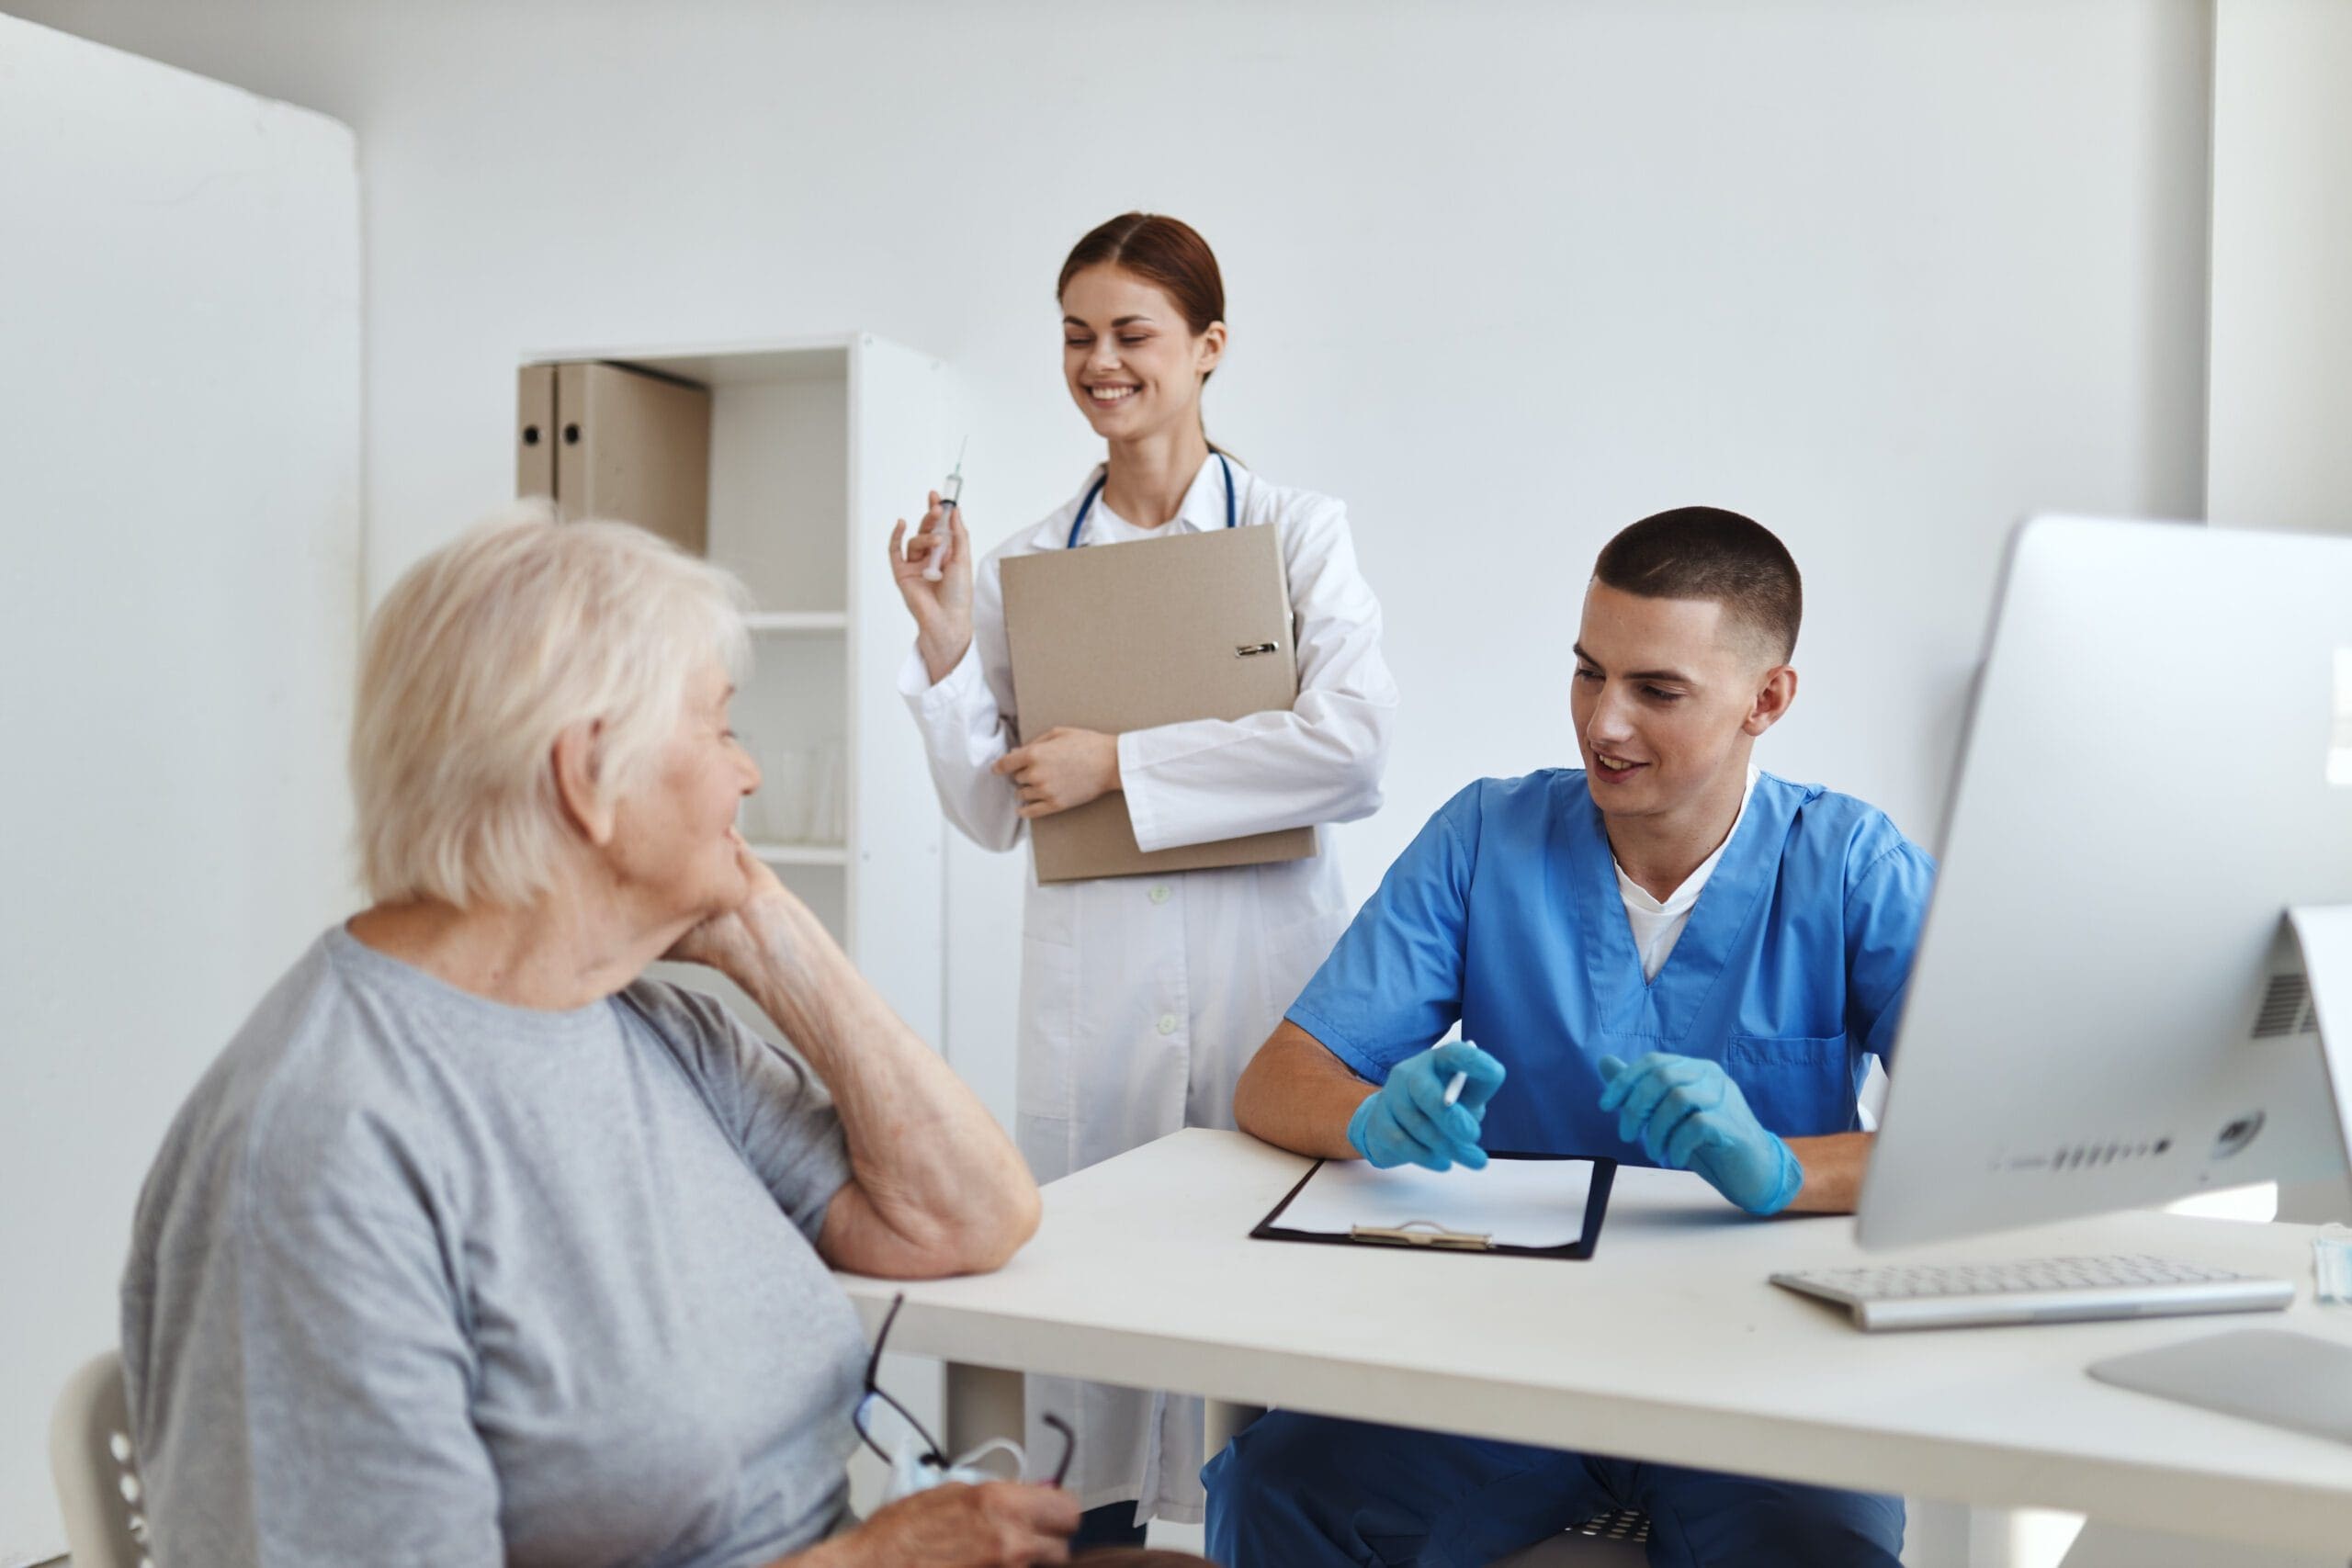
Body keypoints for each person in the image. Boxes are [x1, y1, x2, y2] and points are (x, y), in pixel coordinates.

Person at [121, 513, 1085, 1568]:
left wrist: (769, 933)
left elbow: (969, 1215)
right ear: (589, 776)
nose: (749, 775)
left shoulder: (648, 1024)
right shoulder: (321, 1146)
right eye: (720, 728)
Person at [1208, 507, 1934, 1567]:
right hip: (1505, 1355)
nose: (1604, 723)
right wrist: (1371, 1118)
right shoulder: (1486, 837)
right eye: (1589, 673)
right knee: (1279, 1490)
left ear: (1766, 700)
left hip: (1760, 1357)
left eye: (1657, 690)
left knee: (1815, 1548)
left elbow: (1979, 1148)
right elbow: (1276, 1081)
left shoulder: (1851, 867)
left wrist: (1785, 1169)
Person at [888, 212, 1398, 1543]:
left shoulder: (1296, 532)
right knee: (1100, 1314)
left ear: (1207, 347)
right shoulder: (1023, 562)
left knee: (1264, 1292)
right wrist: (948, 645)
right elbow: (991, 814)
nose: (1099, 362)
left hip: (1259, 972)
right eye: (1076, 334)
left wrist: (1124, 763)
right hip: (1095, 990)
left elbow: (1353, 748)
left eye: (1131, 334)